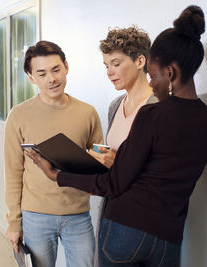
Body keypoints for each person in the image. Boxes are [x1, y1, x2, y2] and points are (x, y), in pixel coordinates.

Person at [25, 5, 207, 267]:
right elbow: (171, 168)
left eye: (154, 75)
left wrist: (56, 175)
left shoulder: (152, 113)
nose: (152, 83)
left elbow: (114, 184)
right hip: (169, 237)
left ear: (170, 73)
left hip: (126, 228)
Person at [4, 40, 103, 267]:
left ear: (66, 67)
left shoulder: (87, 113)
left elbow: (97, 164)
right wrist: (14, 223)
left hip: (78, 215)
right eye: (42, 73)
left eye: (56, 69)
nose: (51, 79)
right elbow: (12, 173)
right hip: (35, 216)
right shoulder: (19, 115)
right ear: (32, 78)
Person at [87, 26, 157, 267]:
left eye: (115, 63)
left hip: (145, 220)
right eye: (106, 65)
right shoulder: (115, 106)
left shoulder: (159, 105)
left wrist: (118, 163)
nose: (109, 72)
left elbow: (161, 167)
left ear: (140, 60)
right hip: (112, 212)